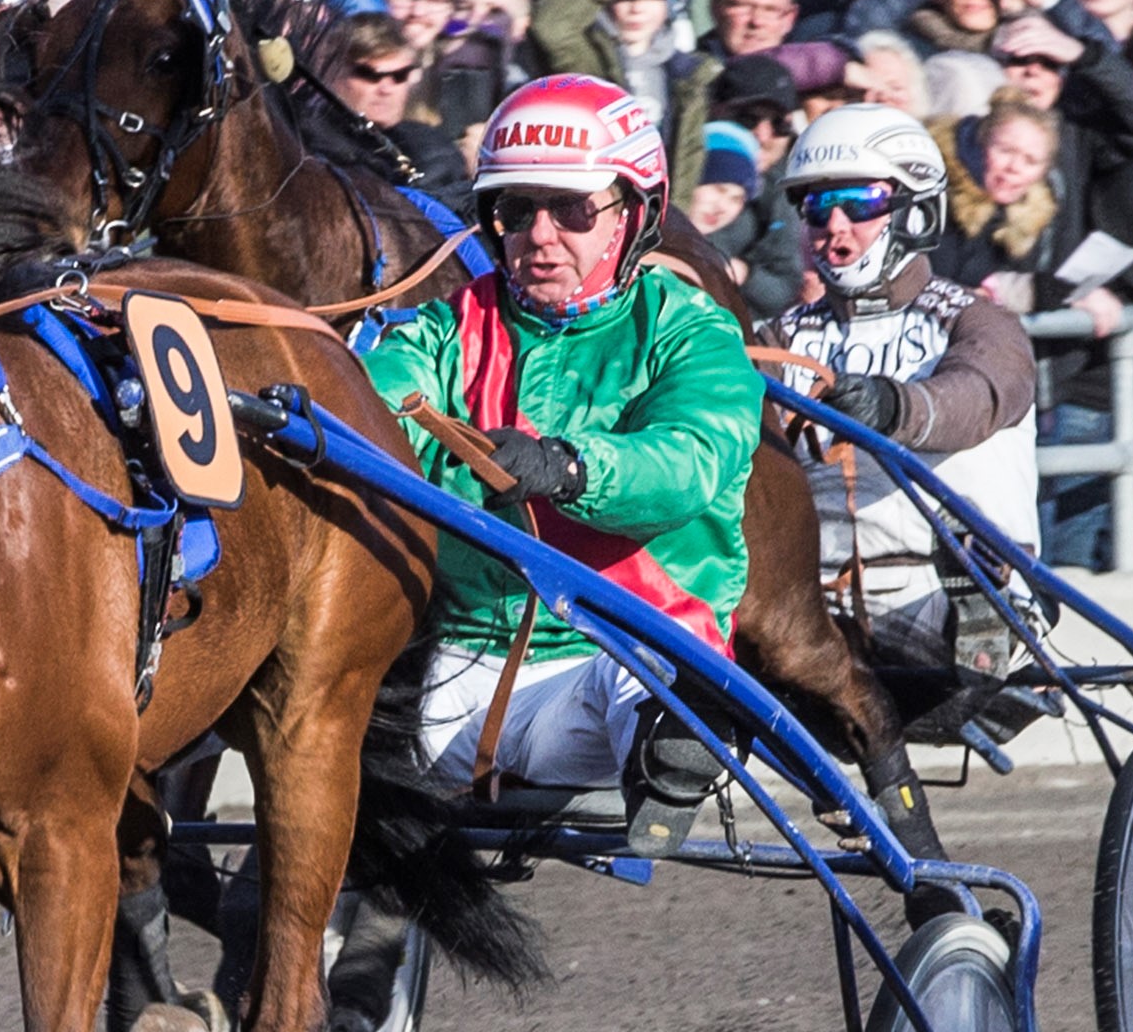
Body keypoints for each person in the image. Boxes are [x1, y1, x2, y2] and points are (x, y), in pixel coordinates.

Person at [351, 75, 761, 842]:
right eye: (516, 209)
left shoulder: (691, 334)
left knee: (655, 677)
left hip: (610, 659)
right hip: (453, 666)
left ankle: (683, 739)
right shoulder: (441, 328)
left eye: (572, 209)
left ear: (633, 216)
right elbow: (367, 418)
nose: (541, 234)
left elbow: (690, 463)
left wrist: (568, 468)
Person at [768, 103, 1041, 663]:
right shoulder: (777, 337)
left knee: (951, 604)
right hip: (813, 601)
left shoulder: (977, 319)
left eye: (859, 203)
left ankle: (986, 617)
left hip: (948, 589)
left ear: (913, 212)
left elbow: (983, 393)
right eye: (817, 208)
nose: (835, 227)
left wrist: (896, 406)